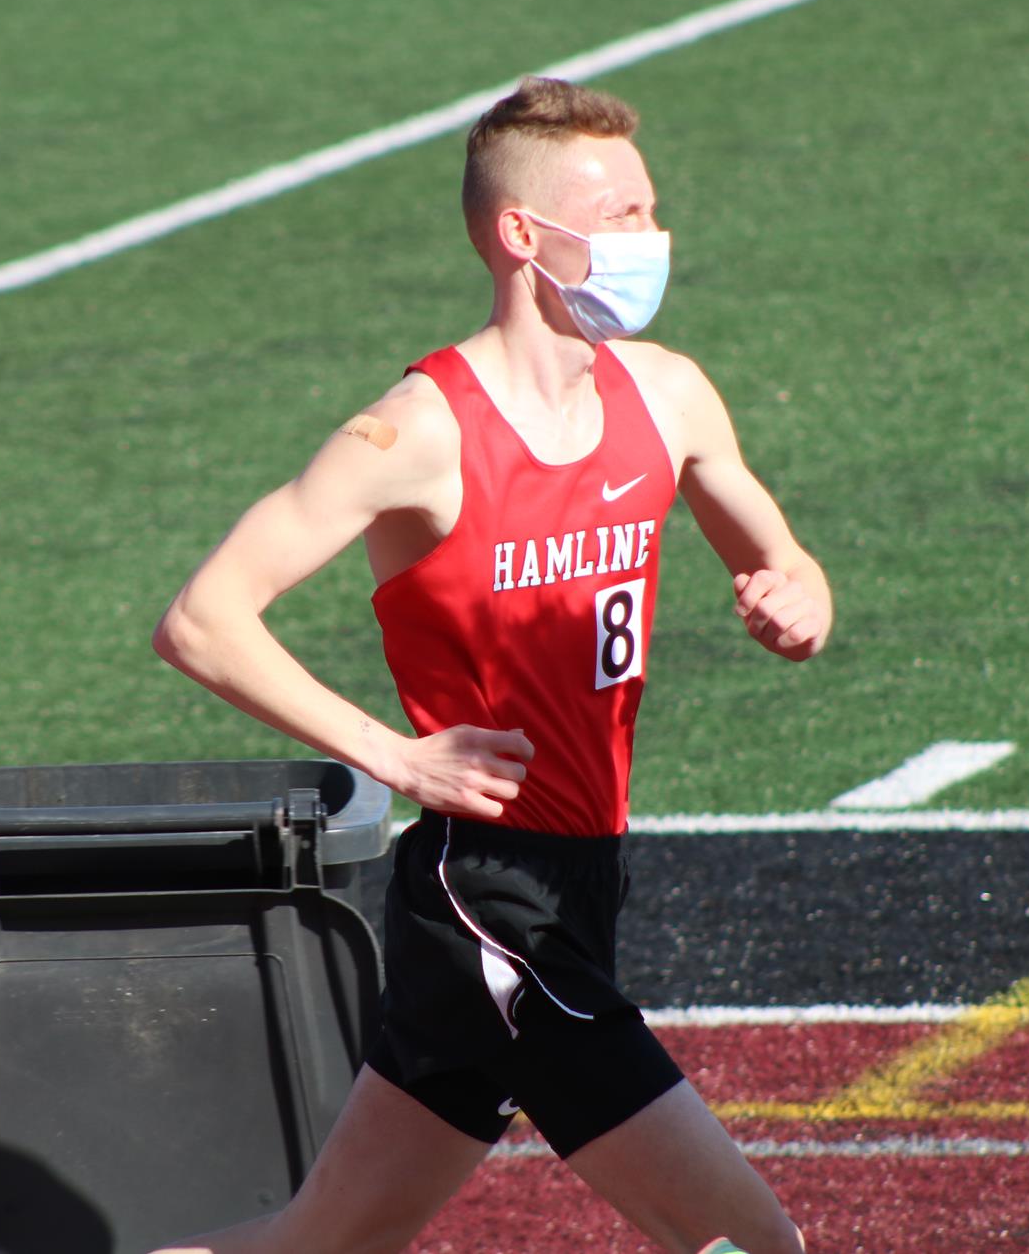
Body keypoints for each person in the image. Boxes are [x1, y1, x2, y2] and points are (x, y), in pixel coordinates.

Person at [152, 76, 824, 1254]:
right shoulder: (416, 431)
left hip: (582, 881)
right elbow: (203, 619)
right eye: (617, 215)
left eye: (648, 210)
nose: (648, 239)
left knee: (316, 1245)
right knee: (752, 1246)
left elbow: (775, 553)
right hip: (490, 910)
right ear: (523, 234)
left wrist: (792, 595)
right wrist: (394, 754)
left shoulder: (667, 395)